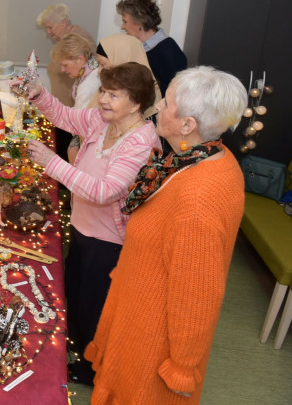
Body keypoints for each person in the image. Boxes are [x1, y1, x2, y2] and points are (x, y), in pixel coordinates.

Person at [85, 66, 247, 403]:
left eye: (167, 103)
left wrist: (182, 366)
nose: (157, 106)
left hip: (153, 337)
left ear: (188, 125)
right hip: (139, 309)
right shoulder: (197, 156)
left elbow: (197, 294)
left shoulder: (199, 197)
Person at [19, 62, 160, 385]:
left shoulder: (141, 142)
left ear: (136, 103)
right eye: (103, 92)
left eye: (113, 95)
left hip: (109, 242)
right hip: (83, 228)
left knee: (95, 308)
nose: (103, 100)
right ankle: (78, 350)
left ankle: (92, 370)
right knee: (75, 294)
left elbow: (104, 191)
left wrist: (52, 163)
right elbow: (66, 117)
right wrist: (39, 95)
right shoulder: (102, 120)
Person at [116, 0, 187, 95]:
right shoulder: (140, 47)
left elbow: (176, 94)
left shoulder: (168, 51)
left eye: (125, 21)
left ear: (140, 22)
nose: (122, 27)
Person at [50, 33, 101, 163]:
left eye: (65, 65)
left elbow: (79, 122)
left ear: (80, 59)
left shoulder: (88, 84)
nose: (62, 70)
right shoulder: (92, 72)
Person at [36, 3, 96, 107]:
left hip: (75, 109)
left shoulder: (81, 39)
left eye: (50, 27)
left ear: (63, 22)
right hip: (63, 109)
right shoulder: (64, 41)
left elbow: (91, 74)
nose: (48, 32)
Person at [93, 33, 162, 118]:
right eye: (98, 64)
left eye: (103, 64)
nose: (99, 71)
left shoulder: (149, 105)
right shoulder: (105, 89)